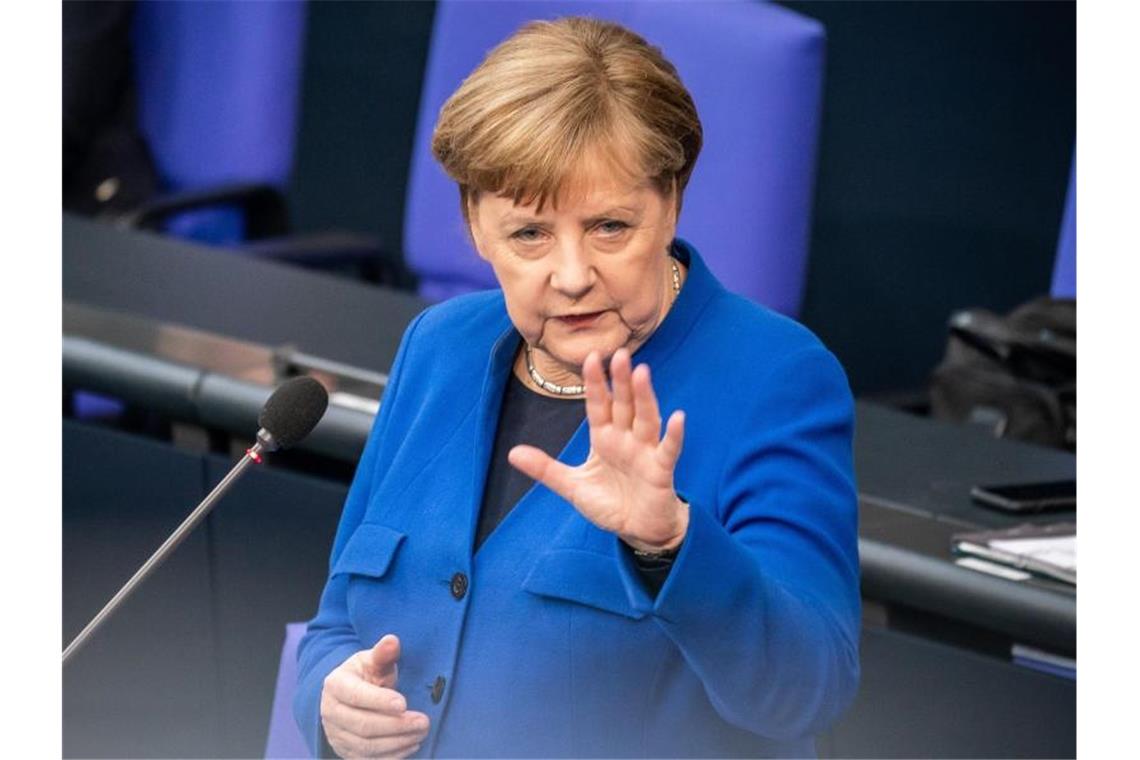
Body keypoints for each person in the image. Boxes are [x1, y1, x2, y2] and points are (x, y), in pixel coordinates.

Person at [294, 17, 859, 758]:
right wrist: (333, 705)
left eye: (611, 228)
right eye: (529, 235)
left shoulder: (775, 379)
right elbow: (336, 624)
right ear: (474, 225)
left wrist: (669, 544)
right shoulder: (439, 349)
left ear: (672, 202)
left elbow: (809, 686)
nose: (571, 274)